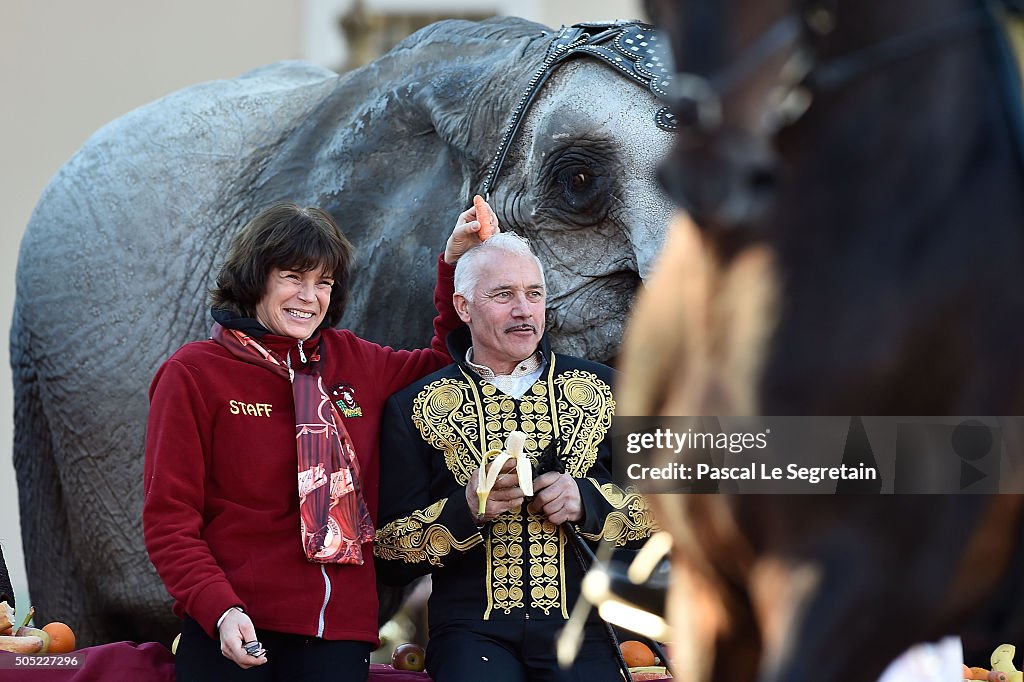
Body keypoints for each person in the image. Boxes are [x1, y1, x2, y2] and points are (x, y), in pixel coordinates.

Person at [143, 200, 495, 681]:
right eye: (293, 277)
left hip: (339, 633)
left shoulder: (352, 359)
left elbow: (441, 371)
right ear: (254, 278)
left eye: (323, 282)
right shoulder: (193, 373)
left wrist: (454, 266)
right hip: (233, 624)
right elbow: (169, 521)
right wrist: (219, 608)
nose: (309, 296)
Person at [374, 232, 657, 681]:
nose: (524, 310)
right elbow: (388, 553)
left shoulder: (609, 388)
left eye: (534, 294)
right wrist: (465, 510)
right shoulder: (414, 404)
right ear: (464, 308)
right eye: (503, 295)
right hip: (470, 634)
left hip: (588, 629)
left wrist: (589, 502)